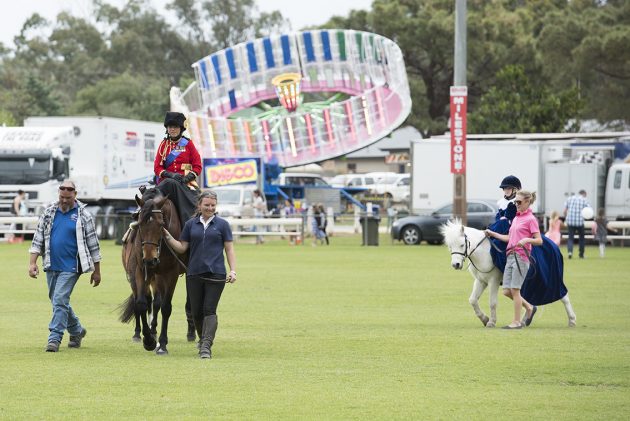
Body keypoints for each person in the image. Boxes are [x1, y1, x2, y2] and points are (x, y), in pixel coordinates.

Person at [28, 180, 101, 352]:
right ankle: (76, 330)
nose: (64, 200)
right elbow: (38, 238)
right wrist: (32, 262)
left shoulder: (84, 216)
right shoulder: (49, 212)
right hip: (51, 264)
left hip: (72, 266)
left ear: (75, 195)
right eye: (62, 197)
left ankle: (54, 338)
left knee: (60, 299)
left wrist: (97, 271)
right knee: (56, 300)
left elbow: (93, 244)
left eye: (68, 197)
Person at [163, 191, 237, 359]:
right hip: (194, 273)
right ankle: (203, 338)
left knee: (209, 309)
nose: (210, 208)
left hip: (216, 274)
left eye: (212, 205)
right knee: (196, 312)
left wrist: (232, 270)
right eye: (207, 205)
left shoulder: (223, 225)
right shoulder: (190, 225)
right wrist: (167, 236)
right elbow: (182, 248)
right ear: (199, 205)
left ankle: (206, 346)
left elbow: (229, 249)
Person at [485, 190, 541, 329]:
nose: (516, 204)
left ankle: (516, 322)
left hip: (521, 257)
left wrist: (527, 240)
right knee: (506, 291)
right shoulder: (516, 218)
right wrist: (493, 234)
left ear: (527, 202)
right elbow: (509, 238)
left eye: (519, 202)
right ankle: (529, 307)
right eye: (515, 202)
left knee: (515, 290)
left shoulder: (531, 219)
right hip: (510, 256)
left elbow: (539, 240)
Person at [154, 111, 202, 227]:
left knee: (201, 202)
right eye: (170, 127)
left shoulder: (188, 144)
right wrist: (170, 175)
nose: (173, 129)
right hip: (166, 182)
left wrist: (187, 178)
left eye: (175, 127)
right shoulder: (163, 145)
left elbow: (197, 165)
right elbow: (157, 167)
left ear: (181, 128)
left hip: (186, 183)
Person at [488, 175, 521, 271]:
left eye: (508, 188)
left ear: (515, 189)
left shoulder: (517, 202)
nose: (506, 190)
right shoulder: (501, 202)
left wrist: (505, 219)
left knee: (499, 243)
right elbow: (498, 218)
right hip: (502, 227)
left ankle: (505, 269)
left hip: (513, 228)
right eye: (504, 188)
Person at [563, 190, 591, 259]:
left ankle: (570, 252)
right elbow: (589, 211)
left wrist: (566, 218)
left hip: (570, 221)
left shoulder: (570, 198)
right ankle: (581, 254)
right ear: (584, 194)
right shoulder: (584, 200)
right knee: (581, 238)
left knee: (570, 238)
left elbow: (565, 211)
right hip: (580, 222)